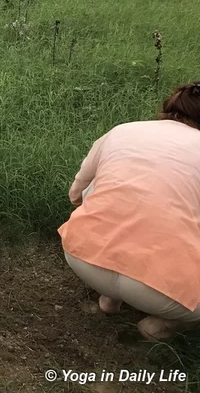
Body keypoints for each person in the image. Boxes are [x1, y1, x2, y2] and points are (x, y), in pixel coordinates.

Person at [58, 81, 200, 341]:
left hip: (82, 257)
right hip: (160, 291)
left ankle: (110, 298)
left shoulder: (123, 130)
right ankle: (164, 325)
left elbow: (76, 194)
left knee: (106, 190)